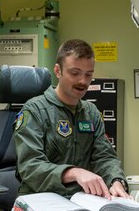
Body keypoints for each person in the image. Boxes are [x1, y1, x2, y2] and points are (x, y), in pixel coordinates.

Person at [14, 39, 131, 200]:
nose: (83, 81)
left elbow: (104, 156)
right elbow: (30, 166)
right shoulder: (35, 111)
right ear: (58, 71)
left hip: (81, 199)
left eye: (88, 74)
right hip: (41, 199)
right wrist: (73, 172)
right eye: (75, 73)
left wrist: (116, 181)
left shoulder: (91, 112)